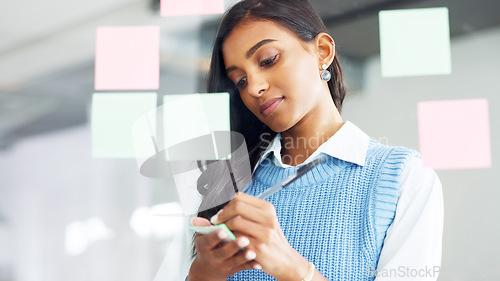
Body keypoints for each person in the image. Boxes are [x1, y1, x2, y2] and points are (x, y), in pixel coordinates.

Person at [187, 0, 444, 280]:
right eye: (240, 81)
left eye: (268, 59)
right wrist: (202, 273)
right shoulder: (233, 184)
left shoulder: (401, 178)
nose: (255, 87)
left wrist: (293, 268)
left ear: (322, 51)